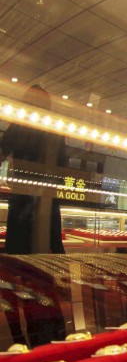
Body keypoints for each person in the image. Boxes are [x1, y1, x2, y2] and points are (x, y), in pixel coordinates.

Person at [0, 85, 69, 254]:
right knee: (48, 253)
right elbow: (63, 165)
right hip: (47, 198)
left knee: (19, 249)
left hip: (23, 195)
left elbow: (1, 152)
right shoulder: (54, 128)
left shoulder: (18, 126)